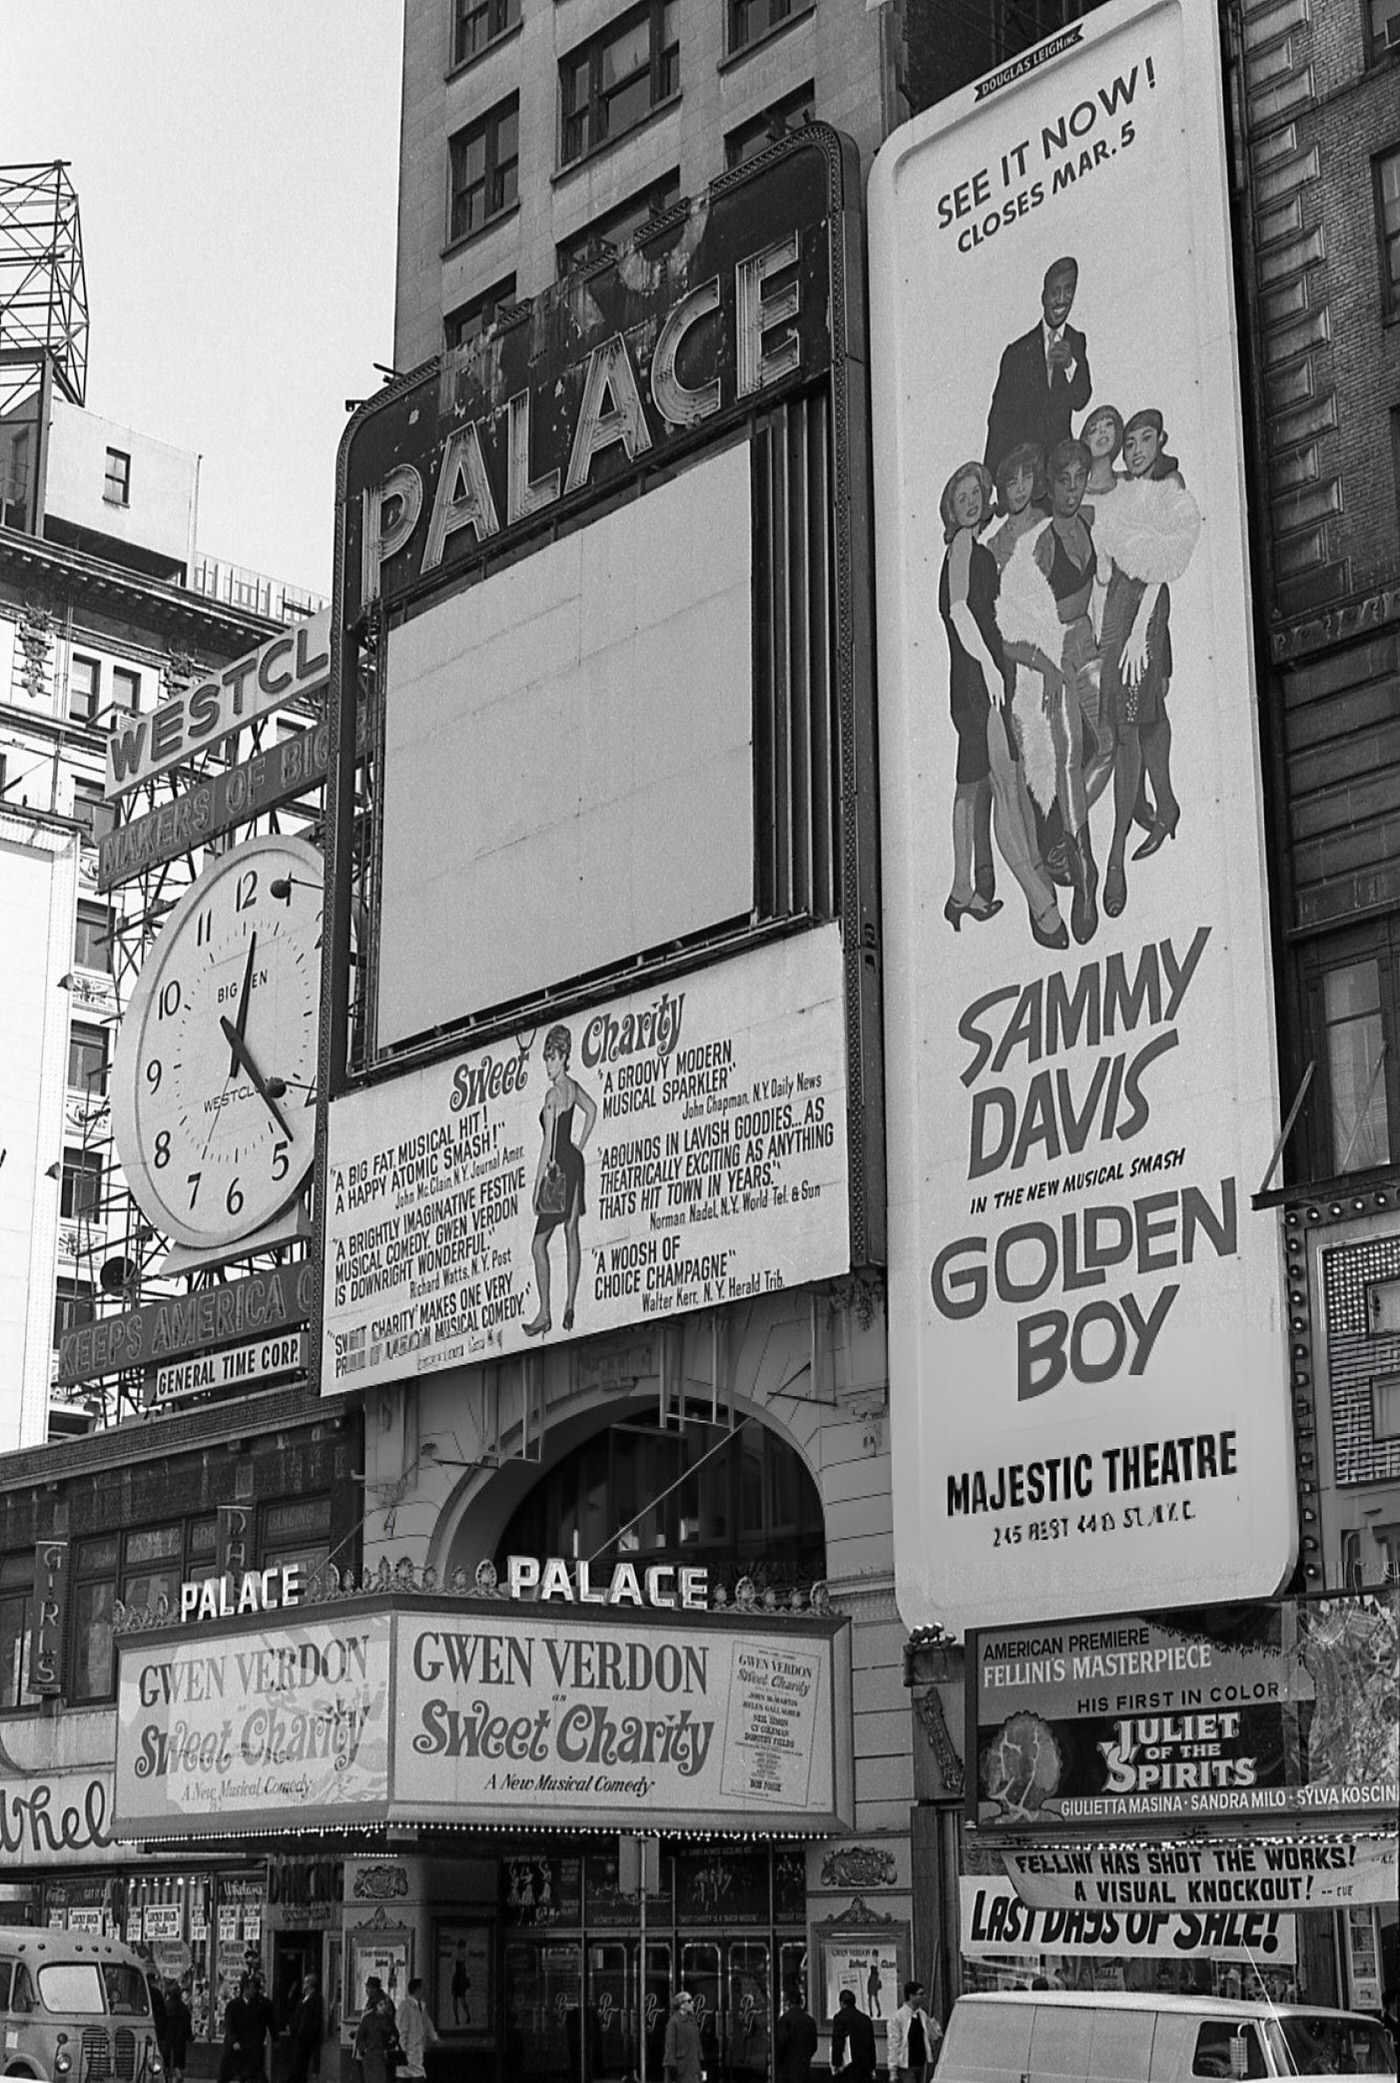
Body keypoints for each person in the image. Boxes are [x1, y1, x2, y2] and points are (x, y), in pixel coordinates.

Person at [937, 461, 1067, 952]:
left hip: (975, 684)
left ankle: (960, 890)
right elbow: (959, 611)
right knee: (1007, 789)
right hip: (979, 687)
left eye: (976, 492)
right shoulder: (964, 546)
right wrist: (992, 671)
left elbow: (988, 621)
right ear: (950, 506)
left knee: (970, 788)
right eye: (961, 494)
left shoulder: (973, 548)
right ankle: (1041, 905)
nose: (971, 500)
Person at [1091, 407, 1201, 919]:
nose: (1135, 449)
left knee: (1133, 721)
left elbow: (1161, 572)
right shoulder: (1124, 493)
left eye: (1144, 440)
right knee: (1140, 715)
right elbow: (1107, 567)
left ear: (1161, 441)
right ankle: (1166, 804)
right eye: (1129, 442)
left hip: (1145, 614)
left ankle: (1114, 857)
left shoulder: (1168, 485)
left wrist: (1140, 632)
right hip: (1116, 612)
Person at [997, 438, 1102, 944]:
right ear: (1052, 484)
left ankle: (1068, 834)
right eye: (1065, 481)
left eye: (1080, 480)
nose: (1073, 490)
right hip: (1054, 658)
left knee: (1110, 742)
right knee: (1066, 756)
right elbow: (1009, 628)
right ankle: (1084, 868)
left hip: (1089, 646)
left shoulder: (1091, 522)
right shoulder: (1036, 543)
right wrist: (1045, 669)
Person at [985, 257, 1092, 480]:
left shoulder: (1076, 341)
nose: (1061, 299)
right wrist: (995, 476)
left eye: (1068, 290)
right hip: (1026, 471)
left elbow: (1081, 398)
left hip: (1060, 470)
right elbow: (999, 418)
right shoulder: (1017, 353)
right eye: (1055, 292)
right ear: (1043, 297)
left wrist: (1070, 365)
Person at [523, 1023, 596, 1338]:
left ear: (563, 1056)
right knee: (571, 1232)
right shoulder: (574, 1087)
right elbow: (591, 1110)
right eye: (546, 1059)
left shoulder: (553, 1095)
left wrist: (538, 1183)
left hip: (558, 1169)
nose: (548, 1065)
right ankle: (569, 1303)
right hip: (575, 1163)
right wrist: (579, 1144)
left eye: (551, 1058)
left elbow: (547, 1144)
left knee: (538, 1244)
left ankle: (545, 1312)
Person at [225, 1971, 278, 2083]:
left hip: (254, 2045)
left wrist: (276, 2038)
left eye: (257, 1988)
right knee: (229, 2073)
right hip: (238, 2046)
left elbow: (271, 2022)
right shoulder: (233, 2005)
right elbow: (229, 2025)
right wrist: (234, 2041)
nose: (256, 1991)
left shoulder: (263, 2004)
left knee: (255, 2073)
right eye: (253, 1988)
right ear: (245, 1989)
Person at [889, 1981, 941, 2083]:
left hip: (921, 2063)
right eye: (920, 1994)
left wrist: (935, 2026)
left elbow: (933, 2035)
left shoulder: (922, 2014)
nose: (924, 1997)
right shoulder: (898, 2017)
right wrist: (893, 2070)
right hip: (906, 2065)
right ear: (911, 1996)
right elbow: (893, 2044)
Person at [353, 1978, 400, 2083]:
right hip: (368, 2048)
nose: (366, 1990)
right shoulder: (371, 2002)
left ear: (375, 1988)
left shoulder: (382, 2002)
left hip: (378, 2050)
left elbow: (388, 2027)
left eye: (369, 1988)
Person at [395, 1977, 438, 2079]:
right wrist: (403, 2050)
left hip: (417, 2052)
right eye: (423, 1988)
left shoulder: (421, 2007)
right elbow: (402, 2030)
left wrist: (435, 2038)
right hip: (409, 2053)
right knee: (409, 2077)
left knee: (418, 2076)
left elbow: (427, 2024)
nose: (425, 1991)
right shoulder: (405, 2006)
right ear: (417, 1989)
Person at [285, 1975, 324, 2083]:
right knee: (297, 2065)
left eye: (305, 1983)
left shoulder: (316, 1998)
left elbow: (314, 2019)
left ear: (310, 1985)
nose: (303, 1985)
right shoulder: (303, 1998)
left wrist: (307, 2033)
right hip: (298, 2036)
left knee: (300, 2065)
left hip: (306, 2038)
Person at [831, 1990, 877, 2080]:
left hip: (847, 2066)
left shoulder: (839, 2018)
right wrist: (872, 2066)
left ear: (841, 2003)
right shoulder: (866, 2020)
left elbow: (837, 2042)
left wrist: (836, 2063)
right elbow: (871, 2045)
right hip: (864, 2066)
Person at [774, 1991, 819, 2083]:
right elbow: (814, 2046)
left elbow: (780, 2043)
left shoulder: (785, 2020)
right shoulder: (810, 2021)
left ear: (788, 2002)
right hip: (804, 2066)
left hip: (787, 2067)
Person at [662, 1990, 704, 2083]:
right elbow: (670, 2045)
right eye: (689, 2001)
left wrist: (700, 2058)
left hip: (693, 2066)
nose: (692, 2003)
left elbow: (697, 2042)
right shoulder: (673, 2022)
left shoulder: (692, 2020)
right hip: (681, 2067)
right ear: (681, 2005)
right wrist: (671, 2066)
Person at [164, 1983, 193, 2083]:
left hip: (167, 2037)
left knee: (166, 2059)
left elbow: (161, 2022)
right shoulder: (183, 2008)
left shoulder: (166, 2006)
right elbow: (187, 2024)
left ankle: (166, 2075)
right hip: (180, 2039)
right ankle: (178, 2074)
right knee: (178, 2061)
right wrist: (189, 2036)